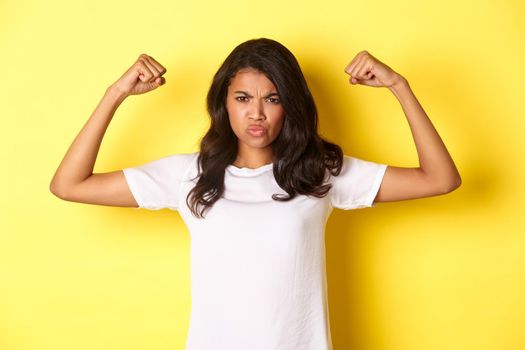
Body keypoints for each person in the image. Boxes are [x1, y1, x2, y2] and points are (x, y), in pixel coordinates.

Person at [50, 38, 461, 350]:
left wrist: (399, 87)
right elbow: (69, 184)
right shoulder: (187, 175)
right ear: (223, 104)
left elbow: (440, 179)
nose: (257, 113)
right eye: (243, 98)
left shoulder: (318, 172)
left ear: (290, 106)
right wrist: (115, 93)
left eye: (273, 99)